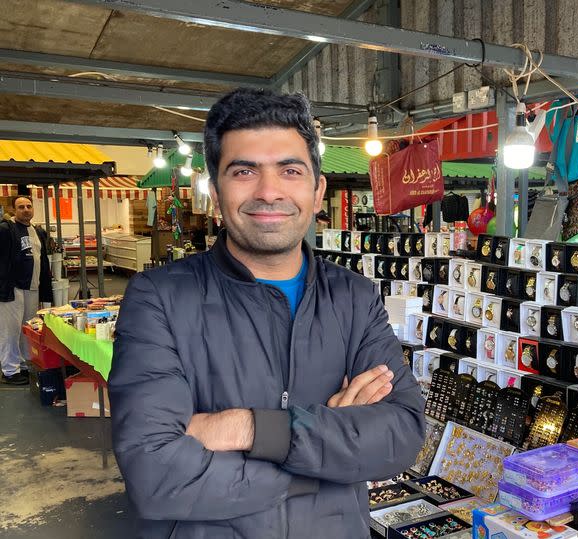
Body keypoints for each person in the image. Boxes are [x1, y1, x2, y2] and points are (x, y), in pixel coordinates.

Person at [110, 88, 425, 538]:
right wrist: (326, 459)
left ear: (318, 192)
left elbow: (401, 436)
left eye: (290, 170)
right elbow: (155, 474)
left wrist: (249, 428)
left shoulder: (354, 298)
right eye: (244, 171)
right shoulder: (158, 298)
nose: (269, 191)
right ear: (216, 196)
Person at [0, 195, 53, 385]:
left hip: (32, 287)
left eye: (29, 206)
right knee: (10, 330)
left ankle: (22, 364)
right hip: (12, 289)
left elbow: (42, 259)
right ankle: (9, 370)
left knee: (27, 329)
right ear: (14, 210)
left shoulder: (36, 231)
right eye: (21, 207)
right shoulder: (6, 229)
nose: (26, 210)